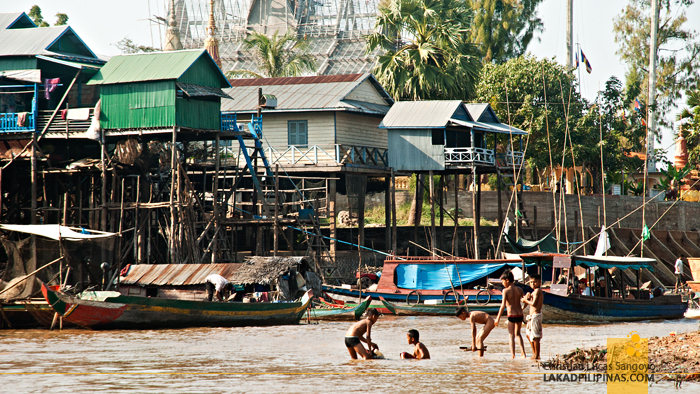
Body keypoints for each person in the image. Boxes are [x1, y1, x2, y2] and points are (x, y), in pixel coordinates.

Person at [495, 269, 527, 359]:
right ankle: (523, 353)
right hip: (520, 315)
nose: (502, 283)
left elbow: (502, 306)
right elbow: (525, 301)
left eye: (502, 281)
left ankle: (513, 355)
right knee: (518, 334)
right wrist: (523, 308)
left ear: (507, 280)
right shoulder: (519, 289)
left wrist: (497, 318)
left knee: (511, 335)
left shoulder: (505, 291)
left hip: (511, 315)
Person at [521, 274, 544, 360]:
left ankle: (537, 355)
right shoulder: (533, 292)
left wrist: (525, 300)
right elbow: (528, 303)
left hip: (536, 316)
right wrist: (527, 299)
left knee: (535, 337)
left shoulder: (538, 291)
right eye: (531, 282)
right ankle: (534, 353)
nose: (532, 284)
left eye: (534, 282)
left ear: (539, 282)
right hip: (531, 317)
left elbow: (534, 304)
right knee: (528, 335)